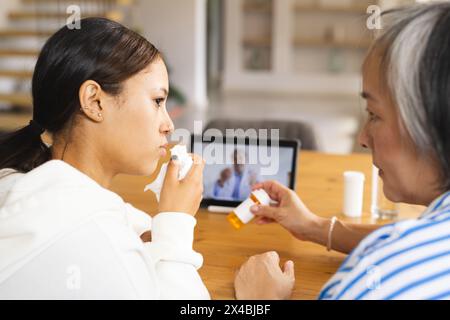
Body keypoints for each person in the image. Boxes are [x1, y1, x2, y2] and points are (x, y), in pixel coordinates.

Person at [234, 3, 450, 300]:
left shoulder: (379, 279)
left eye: (374, 114)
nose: (362, 137)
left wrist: (260, 301)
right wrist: (313, 227)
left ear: (432, 124)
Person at [0, 18, 209, 299]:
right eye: (157, 101)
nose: (168, 125)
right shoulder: (92, 231)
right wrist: (176, 222)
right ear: (95, 101)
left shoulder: (17, 181)